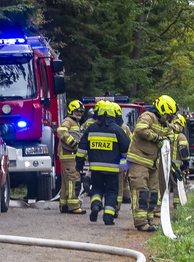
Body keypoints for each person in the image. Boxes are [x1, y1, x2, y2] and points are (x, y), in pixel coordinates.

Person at [75, 101, 130, 225]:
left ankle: (96, 205)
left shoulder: (91, 128)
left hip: (95, 168)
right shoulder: (117, 129)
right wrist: (124, 162)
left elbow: (82, 147)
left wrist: (80, 163)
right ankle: (108, 217)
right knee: (111, 191)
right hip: (113, 169)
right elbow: (126, 147)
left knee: (97, 188)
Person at [127, 95, 176, 231]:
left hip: (153, 163)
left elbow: (171, 133)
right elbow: (141, 129)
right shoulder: (148, 116)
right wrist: (156, 138)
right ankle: (141, 222)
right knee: (141, 191)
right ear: (161, 109)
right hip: (139, 161)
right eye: (167, 114)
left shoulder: (163, 123)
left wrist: (168, 138)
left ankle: (148, 220)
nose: (168, 117)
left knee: (154, 193)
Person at [57, 99, 85, 214]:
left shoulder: (76, 122)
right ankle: (73, 206)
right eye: (77, 111)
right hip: (69, 156)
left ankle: (64, 205)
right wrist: (73, 143)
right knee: (73, 180)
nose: (79, 113)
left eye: (80, 111)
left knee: (65, 182)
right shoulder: (68, 121)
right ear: (71, 110)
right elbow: (61, 131)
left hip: (69, 157)